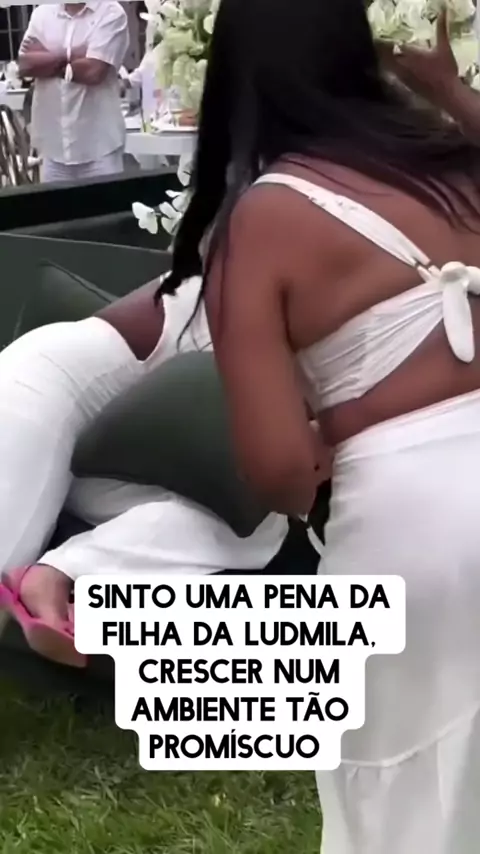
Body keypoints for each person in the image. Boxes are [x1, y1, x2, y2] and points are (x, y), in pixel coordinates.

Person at [152, 1, 480, 852]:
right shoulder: (457, 166)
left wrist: (325, 458)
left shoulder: (264, 221)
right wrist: (454, 95)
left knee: (406, 796)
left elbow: (277, 468)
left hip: (412, 523)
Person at [0, 273, 290, 668]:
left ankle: (59, 573)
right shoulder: (262, 275)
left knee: (259, 527)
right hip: (49, 393)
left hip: (112, 455)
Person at [17, 2, 129, 184]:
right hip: (53, 149)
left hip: (99, 148)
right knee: (56, 204)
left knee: (105, 203)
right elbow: (25, 65)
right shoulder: (42, 14)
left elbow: (93, 72)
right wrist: (73, 56)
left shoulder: (111, 12)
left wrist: (47, 60)